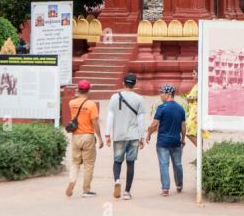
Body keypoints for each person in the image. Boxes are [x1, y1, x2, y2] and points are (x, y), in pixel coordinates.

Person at [105, 72, 146, 200]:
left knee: (117, 161)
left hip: (119, 135)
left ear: (123, 83)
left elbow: (110, 117)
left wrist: (107, 134)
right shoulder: (139, 99)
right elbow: (141, 120)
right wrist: (142, 137)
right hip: (133, 136)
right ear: (135, 84)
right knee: (130, 163)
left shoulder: (114, 97)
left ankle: (117, 180)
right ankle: (127, 192)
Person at [146, 84, 187, 195]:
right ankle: (179, 186)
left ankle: (165, 188)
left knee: (164, 164)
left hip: (163, 142)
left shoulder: (162, 107)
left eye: (162, 93)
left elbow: (155, 124)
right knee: (177, 164)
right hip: (176, 141)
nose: (161, 95)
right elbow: (183, 126)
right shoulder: (180, 109)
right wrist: (182, 139)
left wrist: (149, 134)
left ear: (168, 94)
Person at [66, 79, 103, 198]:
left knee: (75, 163)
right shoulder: (91, 105)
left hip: (75, 136)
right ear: (88, 90)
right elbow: (95, 123)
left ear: (78, 89)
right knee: (88, 164)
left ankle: (72, 181)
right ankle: (86, 190)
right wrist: (100, 138)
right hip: (87, 136)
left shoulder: (72, 103)